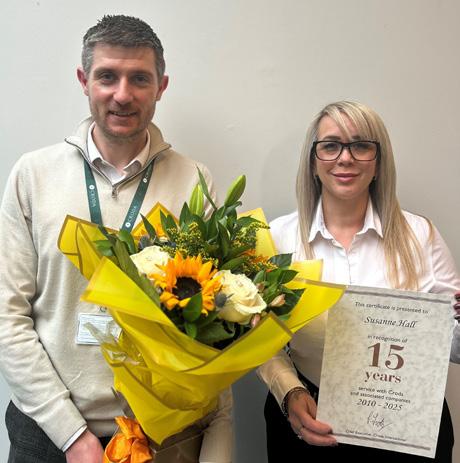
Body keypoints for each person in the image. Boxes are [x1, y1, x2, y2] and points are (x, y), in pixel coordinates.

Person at [0, 15, 232, 463]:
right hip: (46, 434)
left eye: (139, 79)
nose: (123, 94)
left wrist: (158, 423)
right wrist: (71, 435)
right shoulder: (33, 175)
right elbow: (7, 315)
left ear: (161, 86)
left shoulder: (194, 181)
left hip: (158, 435)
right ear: (84, 80)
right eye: (107, 76)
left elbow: (212, 328)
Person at [258, 100, 460, 462]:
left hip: (408, 428)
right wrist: (289, 392)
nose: (346, 158)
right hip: (311, 422)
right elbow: (259, 339)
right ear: (313, 161)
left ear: (379, 162)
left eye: (361, 146)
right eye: (331, 145)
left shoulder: (421, 236)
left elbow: (453, 344)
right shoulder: (277, 239)